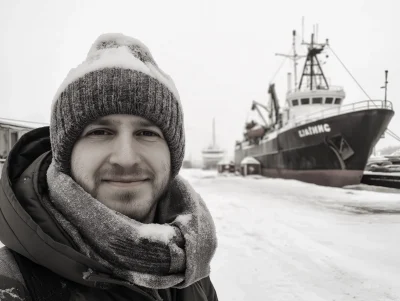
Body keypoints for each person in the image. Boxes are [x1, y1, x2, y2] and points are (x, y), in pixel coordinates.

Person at [0, 33, 218, 301]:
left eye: (147, 133)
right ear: (65, 156)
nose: (125, 158)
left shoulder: (191, 269)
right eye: (100, 132)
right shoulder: (12, 280)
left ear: (173, 157)